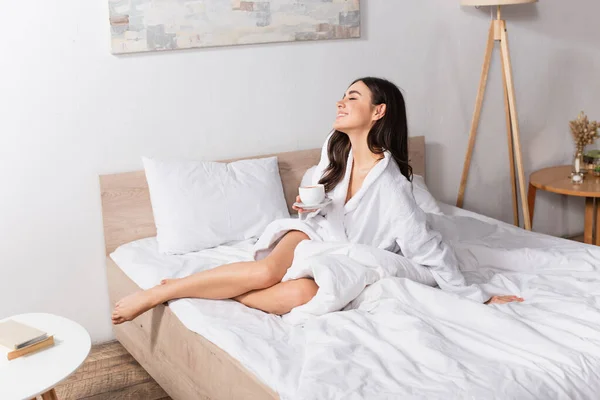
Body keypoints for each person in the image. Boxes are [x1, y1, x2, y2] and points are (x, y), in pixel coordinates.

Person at [112, 77, 523, 325]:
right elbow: (318, 191)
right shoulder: (335, 145)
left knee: (300, 297)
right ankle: (160, 292)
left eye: (353, 97)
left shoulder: (393, 184)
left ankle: (203, 290)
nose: (341, 103)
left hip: (343, 250)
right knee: (266, 272)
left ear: (378, 111)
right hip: (312, 230)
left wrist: (474, 295)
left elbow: (424, 245)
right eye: (343, 96)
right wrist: (309, 206)